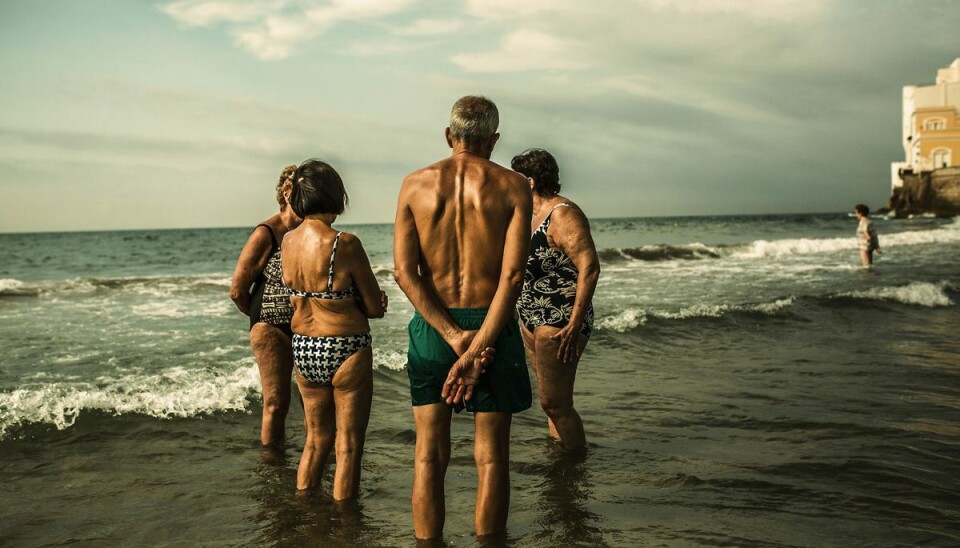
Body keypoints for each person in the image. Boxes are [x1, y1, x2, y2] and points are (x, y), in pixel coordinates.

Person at [393, 95, 532, 539]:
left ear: (449, 136)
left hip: (435, 330)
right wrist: (479, 346)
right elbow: (511, 278)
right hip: (493, 327)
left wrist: (455, 337)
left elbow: (403, 272)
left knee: (428, 455)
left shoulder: (414, 185)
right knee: (491, 457)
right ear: (492, 140)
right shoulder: (514, 187)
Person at [281, 159, 387, 498]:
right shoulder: (345, 243)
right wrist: (377, 301)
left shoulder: (287, 243)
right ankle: (344, 526)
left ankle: (305, 512)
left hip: (304, 347)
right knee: (349, 445)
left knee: (315, 441)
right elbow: (372, 307)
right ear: (335, 196)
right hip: (345, 347)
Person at [511, 148, 600, 452]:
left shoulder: (562, 214)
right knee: (551, 403)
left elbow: (590, 266)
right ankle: (560, 458)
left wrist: (575, 324)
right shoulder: (527, 215)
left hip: (560, 319)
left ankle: (577, 462)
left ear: (531, 181)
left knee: (555, 402)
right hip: (530, 317)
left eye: (517, 177)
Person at [230, 164, 302, 447]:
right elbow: (237, 290)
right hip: (271, 328)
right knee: (276, 403)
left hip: (306, 326)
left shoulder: (309, 232)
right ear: (287, 193)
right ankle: (272, 466)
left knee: (312, 402)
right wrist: (264, 317)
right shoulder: (266, 232)